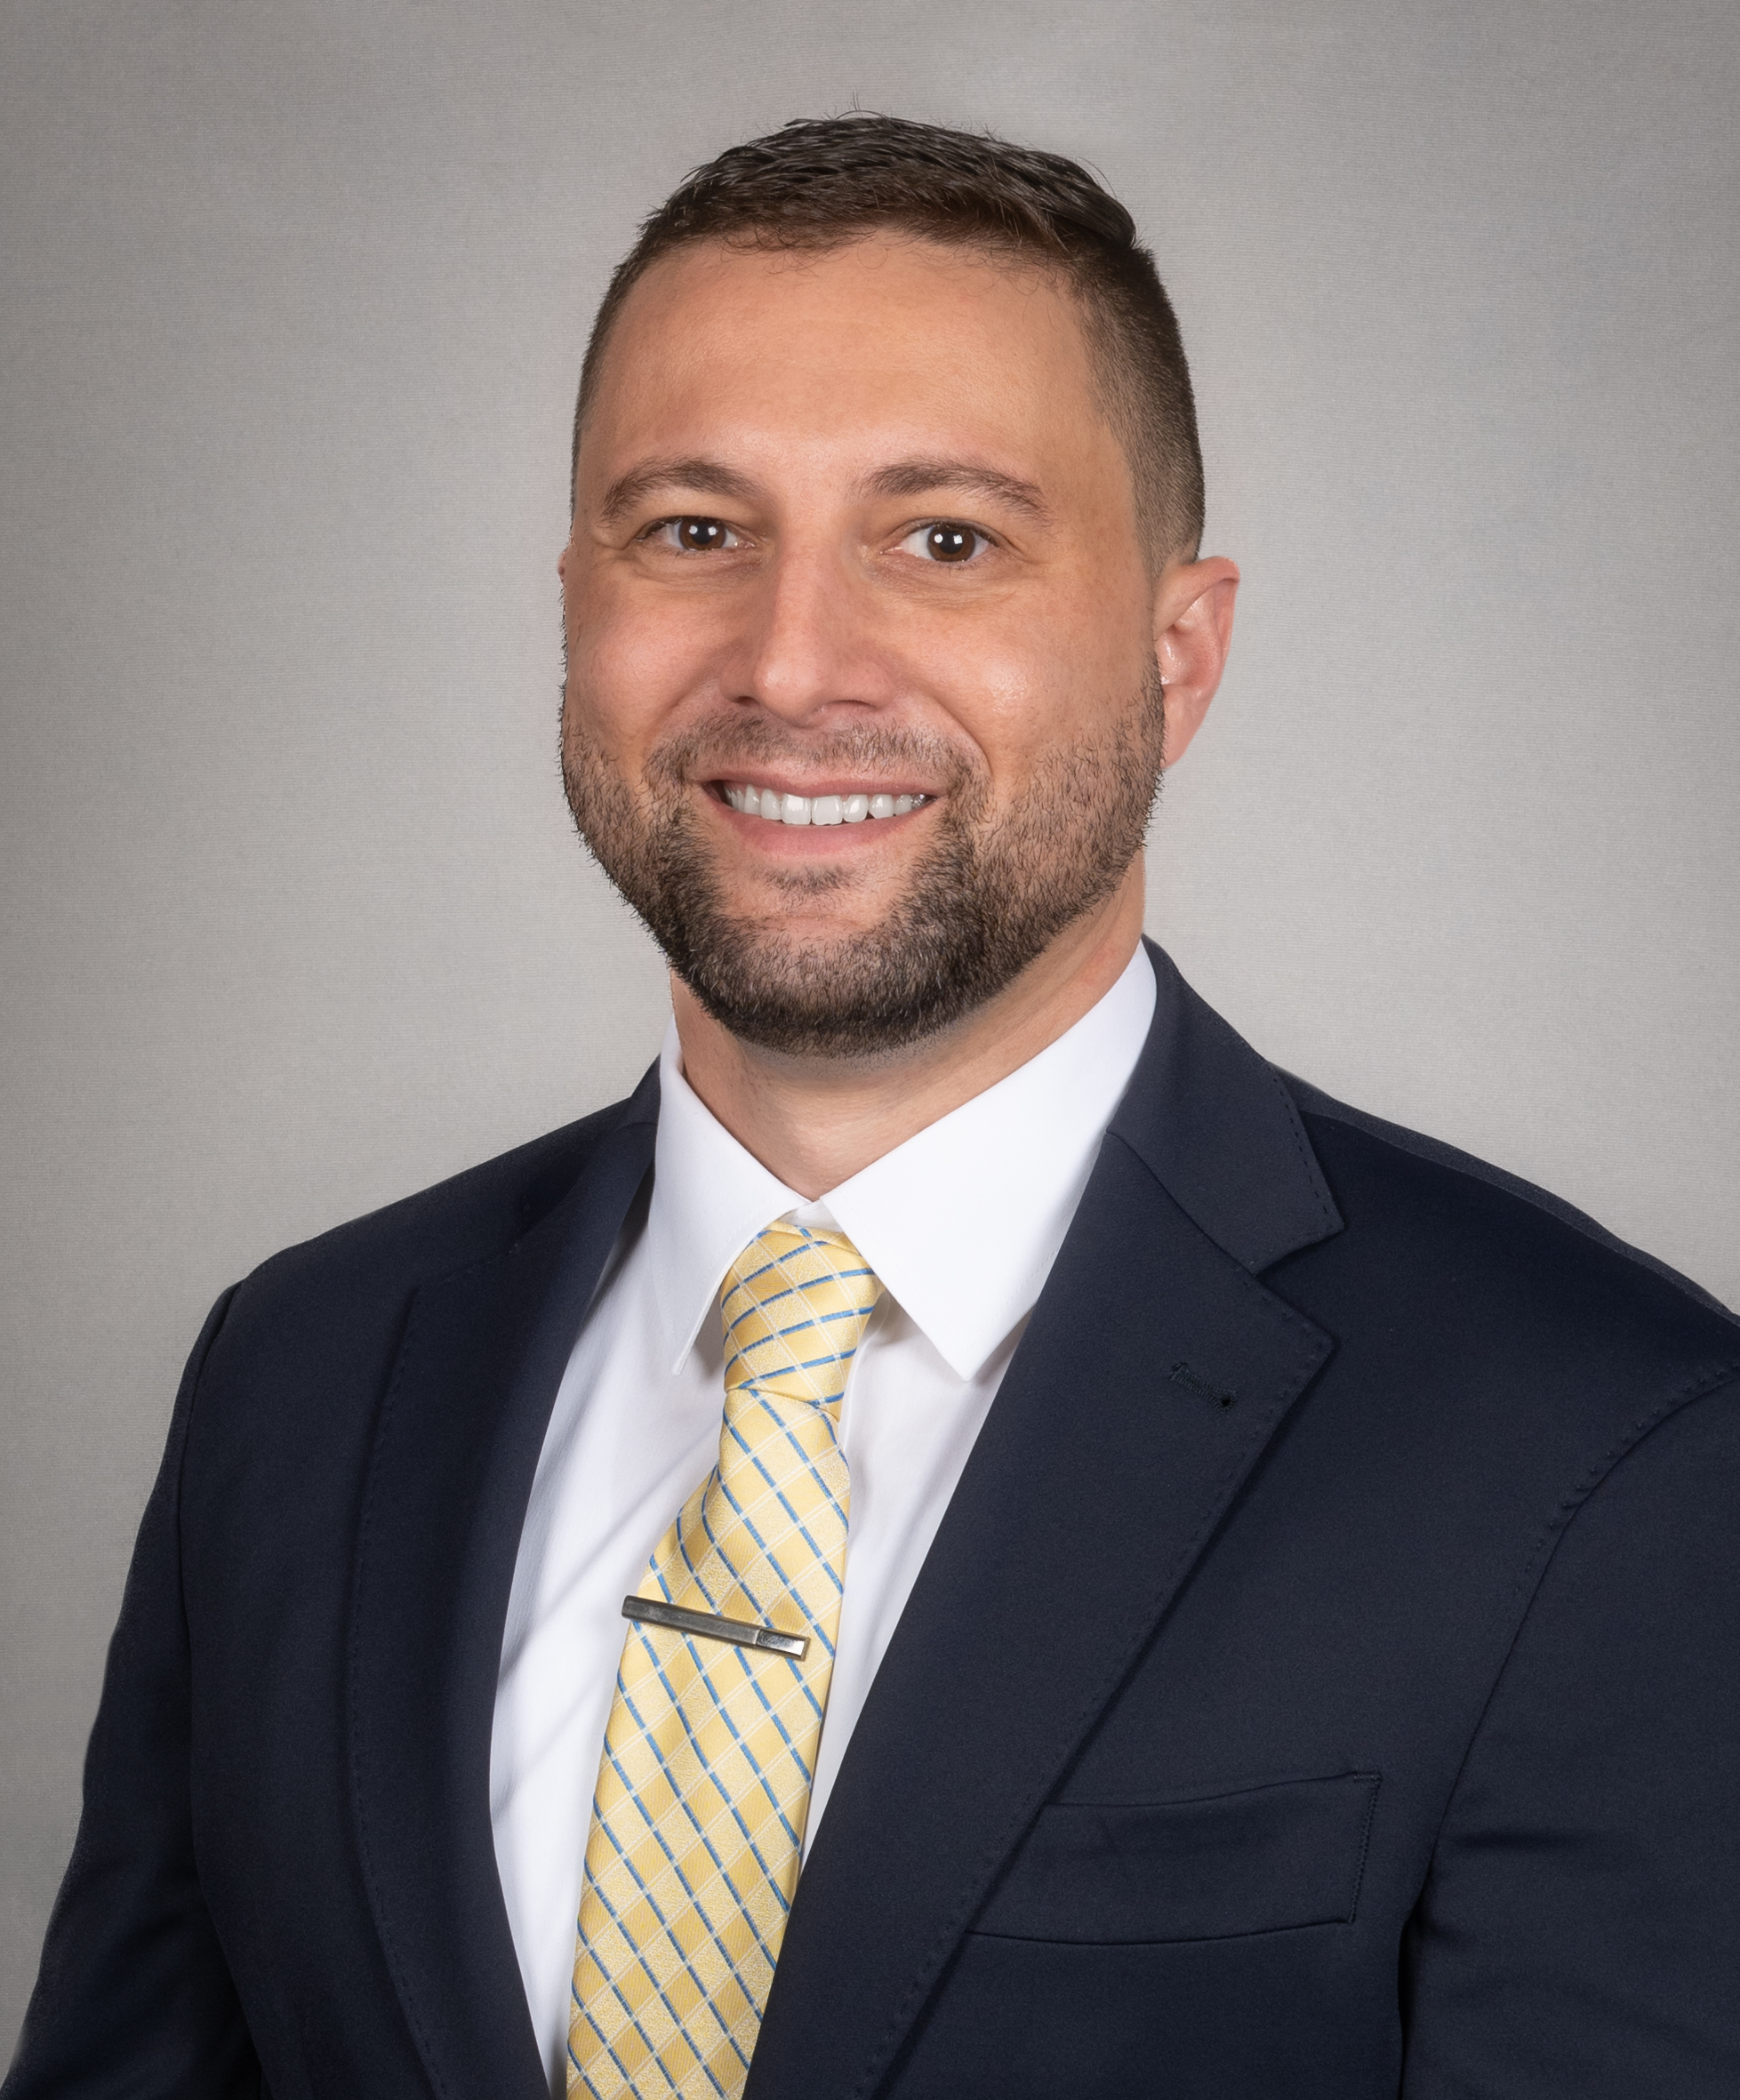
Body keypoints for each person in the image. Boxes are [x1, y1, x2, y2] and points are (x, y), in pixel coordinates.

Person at [6, 111, 1737, 2100]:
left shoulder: (1605, 1450)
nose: (792, 662)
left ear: (1175, 658)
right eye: (693, 530)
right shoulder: (299, 1375)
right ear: (572, 607)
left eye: (944, 541)